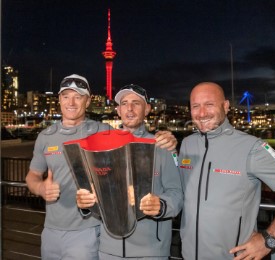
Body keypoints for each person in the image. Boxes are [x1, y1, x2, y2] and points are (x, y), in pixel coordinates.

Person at [25, 76, 177, 260]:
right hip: (61, 232)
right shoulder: (46, 136)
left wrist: (167, 138)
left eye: (78, 97)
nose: (71, 102)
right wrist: (40, 187)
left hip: (91, 232)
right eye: (66, 96)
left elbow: (132, 133)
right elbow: (32, 175)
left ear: (88, 101)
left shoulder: (102, 132)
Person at [178, 82, 275, 260]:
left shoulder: (252, 147)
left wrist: (268, 240)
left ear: (225, 106)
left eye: (209, 104)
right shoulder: (187, 144)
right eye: (196, 106)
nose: (202, 113)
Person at [77, 84, 183, 259]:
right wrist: (85, 203)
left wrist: (161, 205)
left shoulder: (162, 146)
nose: (130, 108)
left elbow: (177, 194)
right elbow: (92, 191)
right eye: (124, 103)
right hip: (108, 250)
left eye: (136, 103)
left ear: (147, 109)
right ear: (118, 110)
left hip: (150, 252)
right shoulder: (102, 146)